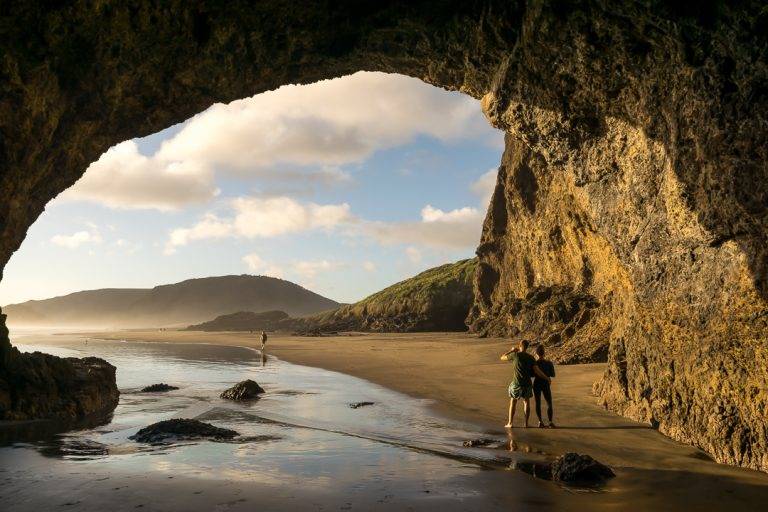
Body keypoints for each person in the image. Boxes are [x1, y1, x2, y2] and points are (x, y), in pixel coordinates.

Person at [500, 339, 551, 428]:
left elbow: (502, 357)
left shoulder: (515, 355)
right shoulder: (531, 358)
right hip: (527, 383)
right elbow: (537, 371)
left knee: (513, 401)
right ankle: (526, 423)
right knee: (526, 402)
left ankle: (510, 423)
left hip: (516, 383)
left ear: (520, 346)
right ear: (527, 347)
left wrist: (511, 350)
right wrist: (547, 378)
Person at [533, 344, 556, 428]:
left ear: (536, 353)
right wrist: (547, 374)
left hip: (536, 383)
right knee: (549, 403)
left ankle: (540, 422)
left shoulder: (535, 363)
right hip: (545, 384)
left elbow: (532, 375)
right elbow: (553, 375)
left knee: (537, 403)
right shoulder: (549, 363)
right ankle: (550, 422)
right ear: (544, 353)